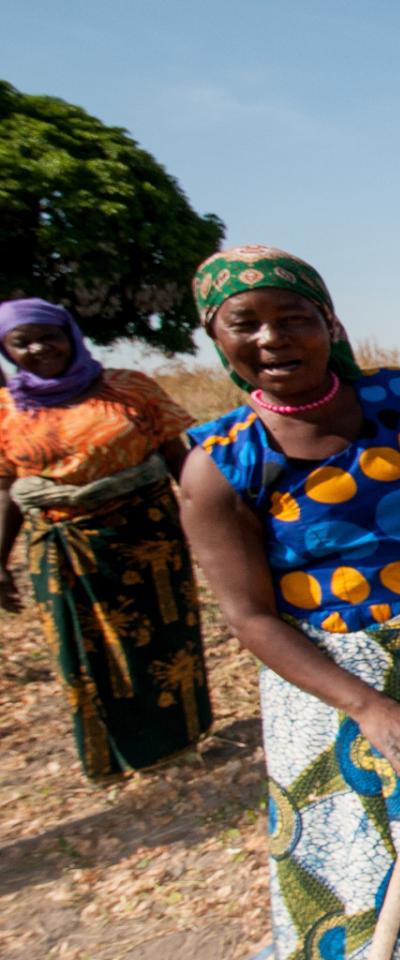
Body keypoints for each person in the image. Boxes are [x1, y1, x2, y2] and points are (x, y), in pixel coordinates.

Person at [176, 246, 400, 958]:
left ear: (329, 323)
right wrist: (367, 708)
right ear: (217, 340)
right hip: (333, 688)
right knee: (370, 863)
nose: (273, 339)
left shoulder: (394, 397)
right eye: (244, 324)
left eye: (293, 318)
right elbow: (250, 618)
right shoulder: (223, 464)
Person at [0, 297, 211, 782]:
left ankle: (182, 742)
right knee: (83, 653)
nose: (37, 348)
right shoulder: (8, 409)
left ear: (70, 335)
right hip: (61, 545)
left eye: (47, 336)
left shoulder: (127, 389)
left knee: (164, 643)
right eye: (20, 342)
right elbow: (5, 489)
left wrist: (214, 529)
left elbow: (181, 460)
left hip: (146, 536)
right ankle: (110, 757)